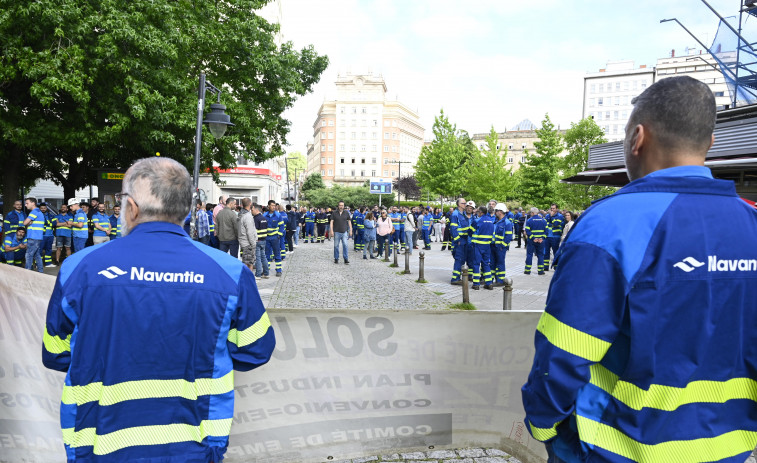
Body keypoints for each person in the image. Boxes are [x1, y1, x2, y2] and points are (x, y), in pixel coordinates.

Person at [522, 76, 757, 462]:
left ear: (637, 138)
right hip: (728, 449)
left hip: (615, 448)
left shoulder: (611, 224)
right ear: (709, 144)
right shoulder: (751, 223)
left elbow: (566, 346)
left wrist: (545, 425)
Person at [42, 156, 275, 462]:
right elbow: (254, 350)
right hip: (196, 444)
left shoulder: (79, 268)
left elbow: (56, 352)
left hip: (98, 443)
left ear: (132, 208)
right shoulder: (229, 272)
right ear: (186, 209)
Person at [470, 206, 494, 290]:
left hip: (478, 246)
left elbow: (470, 231)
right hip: (487, 246)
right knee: (486, 264)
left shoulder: (477, 221)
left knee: (476, 264)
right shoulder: (491, 221)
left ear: (481, 212)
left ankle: (476, 284)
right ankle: (489, 283)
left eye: (478, 212)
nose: (477, 213)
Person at [492, 203, 513, 286]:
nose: (495, 212)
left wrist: (503, 246)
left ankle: (500, 280)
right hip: (493, 246)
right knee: (493, 263)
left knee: (500, 263)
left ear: (500, 212)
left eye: (496, 211)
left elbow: (508, 236)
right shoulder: (496, 221)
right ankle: (493, 279)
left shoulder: (507, 223)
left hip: (500, 247)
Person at [22, 197, 45, 272]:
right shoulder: (38, 211)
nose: (25, 205)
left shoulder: (34, 211)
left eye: (27, 203)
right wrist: (29, 222)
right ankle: (40, 271)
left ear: (33, 203)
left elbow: (24, 223)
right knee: (36, 255)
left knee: (28, 255)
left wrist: (28, 222)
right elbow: (28, 223)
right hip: (37, 237)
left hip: (33, 237)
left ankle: (27, 272)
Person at [524, 207, 547, 275]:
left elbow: (527, 231)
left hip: (531, 241)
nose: (530, 214)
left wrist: (533, 238)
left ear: (533, 213)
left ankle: (527, 270)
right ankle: (540, 271)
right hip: (541, 241)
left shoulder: (529, 220)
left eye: (531, 212)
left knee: (529, 255)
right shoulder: (543, 221)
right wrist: (542, 238)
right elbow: (546, 231)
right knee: (540, 255)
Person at [263, 200, 282, 276]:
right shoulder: (264, 215)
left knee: (277, 254)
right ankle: (266, 270)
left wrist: (279, 235)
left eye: (274, 205)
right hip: (267, 238)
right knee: (267, 255)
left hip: (275, 238)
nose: (274, 207)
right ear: (268, 206)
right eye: (272, 205)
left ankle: (279, 270)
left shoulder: (278, 215)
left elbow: (281, 226)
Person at [543, 203, 565, 271]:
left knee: (555, 252)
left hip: (555, 236)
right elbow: (545, 224)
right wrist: (551, 221)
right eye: (551, 208)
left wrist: (552, 217)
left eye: (553, 208)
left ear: (557, 209)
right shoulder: (547, 216)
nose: (552, 210)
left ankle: (556, 266)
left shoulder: (560, 216)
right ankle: (546, 267)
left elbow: (556, 224)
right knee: (546, 252)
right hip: (547, 236)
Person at [238, 197, 257, 274]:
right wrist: (253, 244)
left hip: (243, 241)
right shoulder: (248, 216)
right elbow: (250, 232)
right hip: (248, 243)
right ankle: (248, 282)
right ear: (250, 204)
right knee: (249, 264)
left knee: (246, 262)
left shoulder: (240, 214)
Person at [330, 200, 352, 264]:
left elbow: (349, 222)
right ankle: (336, 258)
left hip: (344, 232)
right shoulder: (334, 213)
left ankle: (346, 258)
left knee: (345, 245)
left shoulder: (346, 213)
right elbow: (331, 222)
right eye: (340, 205)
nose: (341, 206)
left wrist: (351, 230)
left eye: (342, 205)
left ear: (344, 206)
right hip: (336, 232)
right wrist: (331, 231)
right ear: (338, 206)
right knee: (336, 246)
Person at [252, 203, 269, 278]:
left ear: (256, 210)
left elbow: (254, 230)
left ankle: (258, 274)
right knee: (263, 257)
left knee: (258, 258)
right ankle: (266, 273)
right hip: (264, 240)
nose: (251, 211)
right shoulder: (264, 218)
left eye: (252, 210)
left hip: (258, 240)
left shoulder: (255, 219)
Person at [39, 202, 57, 267]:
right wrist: (49, 223)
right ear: (39, 209)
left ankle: (48, 263)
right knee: (40, 250)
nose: (43, 209)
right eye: (42, 208)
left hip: (50, 235)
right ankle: (39, 264)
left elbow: (55, 223)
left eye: (44, 208)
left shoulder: (51, 215)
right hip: (42, 235)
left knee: (49, 249)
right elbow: (41, 223)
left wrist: (48, 223)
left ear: (46, 208)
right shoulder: (39, 215)